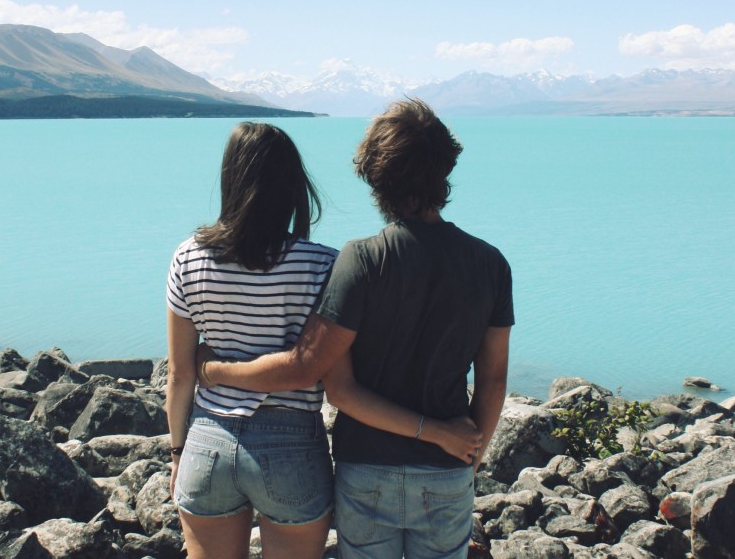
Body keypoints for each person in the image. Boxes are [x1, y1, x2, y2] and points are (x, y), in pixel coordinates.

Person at [199, 99, 514, 559]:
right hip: (447, 471)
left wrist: (211, 370)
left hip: (367, 469)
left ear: (376, 176)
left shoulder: (361, 261)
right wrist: (467, 455)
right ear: (444, 168)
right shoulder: (490, 264)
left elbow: (338, 388)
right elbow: (494, 380)